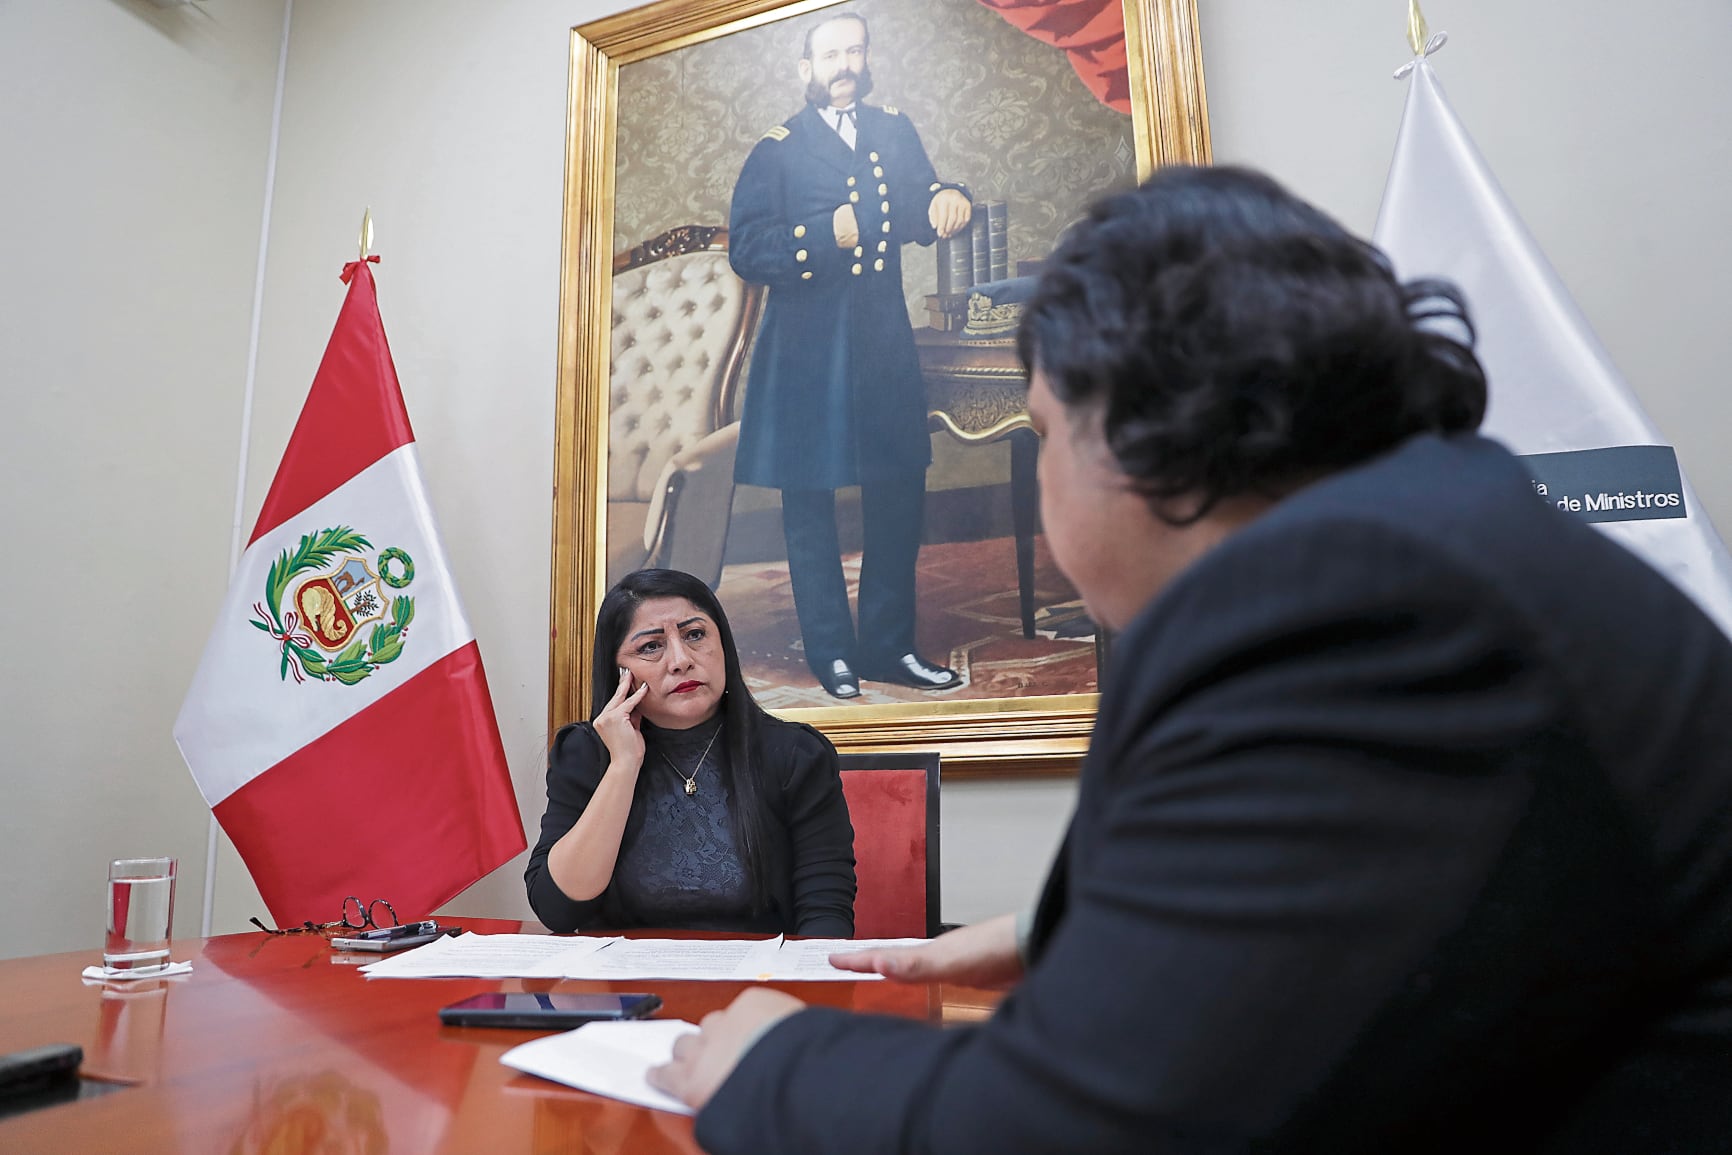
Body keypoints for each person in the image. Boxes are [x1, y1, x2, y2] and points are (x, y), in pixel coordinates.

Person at [646, 166, 1732, 1151]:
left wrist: (770, 1067)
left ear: (1124, 417)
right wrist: (1068, 930)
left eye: (1041, 433)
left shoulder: (1354, 610)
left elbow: (1073, 1131)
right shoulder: (1432, 536)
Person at [728, 10, 972, 700]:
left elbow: (923, 196)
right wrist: (820, 234)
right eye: (830, 53)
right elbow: (748, 249)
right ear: (805, 67)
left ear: (865, 59)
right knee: (809, 500)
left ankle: (889, 647)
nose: (844, 64)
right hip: (804, 350)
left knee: (899, 487)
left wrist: (950, 196)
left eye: (854, 51)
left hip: (880, 340)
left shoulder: (893, 130)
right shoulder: (777, 149)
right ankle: (832, 651)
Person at [524, 568, 855, 935]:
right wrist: (623, 765)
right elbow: (558, 911)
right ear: (619, 672)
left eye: (694, 635)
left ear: (724, 645)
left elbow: (825, 915)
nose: (681, 660)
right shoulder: (585, 754)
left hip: (759, 983)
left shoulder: (795, 754)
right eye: (651, 646)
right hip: (622, 986)